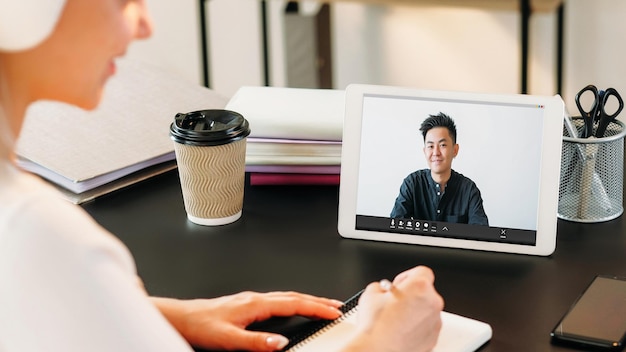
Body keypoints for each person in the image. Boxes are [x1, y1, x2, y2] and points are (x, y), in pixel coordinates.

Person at [0, 1, 444, 351]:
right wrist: (384, 344)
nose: (145, 26)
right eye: (122, 0)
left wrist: (154, 315)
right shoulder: (36, 232)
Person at [390, 113, 489, 226]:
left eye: (442, 145)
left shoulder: (469, 191)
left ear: (455, 150)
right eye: (431, 146)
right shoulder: (412, 183)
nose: (436, 153)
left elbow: (480, 235)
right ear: (425, 151)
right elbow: (395, 226)